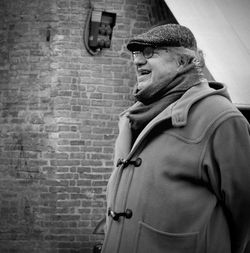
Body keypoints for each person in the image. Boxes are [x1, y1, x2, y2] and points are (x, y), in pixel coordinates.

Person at [101, 24, 250, 253]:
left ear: (182, 62)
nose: (137, 61)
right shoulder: (132, 119)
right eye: (136, 53)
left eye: (149, 53)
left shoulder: (221, 118)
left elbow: (244, 215)